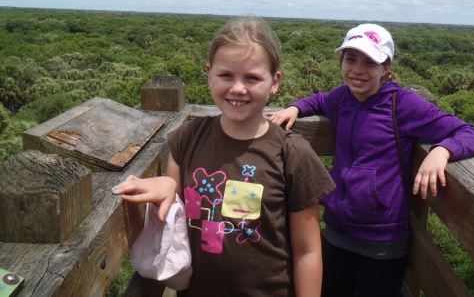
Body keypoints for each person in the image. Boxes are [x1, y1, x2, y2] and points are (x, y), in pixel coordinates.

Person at [113, 16, 335, 297]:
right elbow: (177, 207)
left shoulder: (292, 153)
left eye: (252, 77)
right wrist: (166, 187)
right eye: (226, 75)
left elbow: (308, 251)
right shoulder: (188, 137)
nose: (238, 88)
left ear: (275, 81)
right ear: (209, 74)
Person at [268, 23, 474, 297]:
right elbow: (320, 100)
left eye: (370, 61)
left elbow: (471, 133)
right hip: (336, 232)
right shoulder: (341, 98)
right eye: (350, 59)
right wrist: (296, 106)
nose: (358, 69)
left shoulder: (403, 104)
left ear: (386, 68)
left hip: (383, 241)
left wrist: (442, 151)